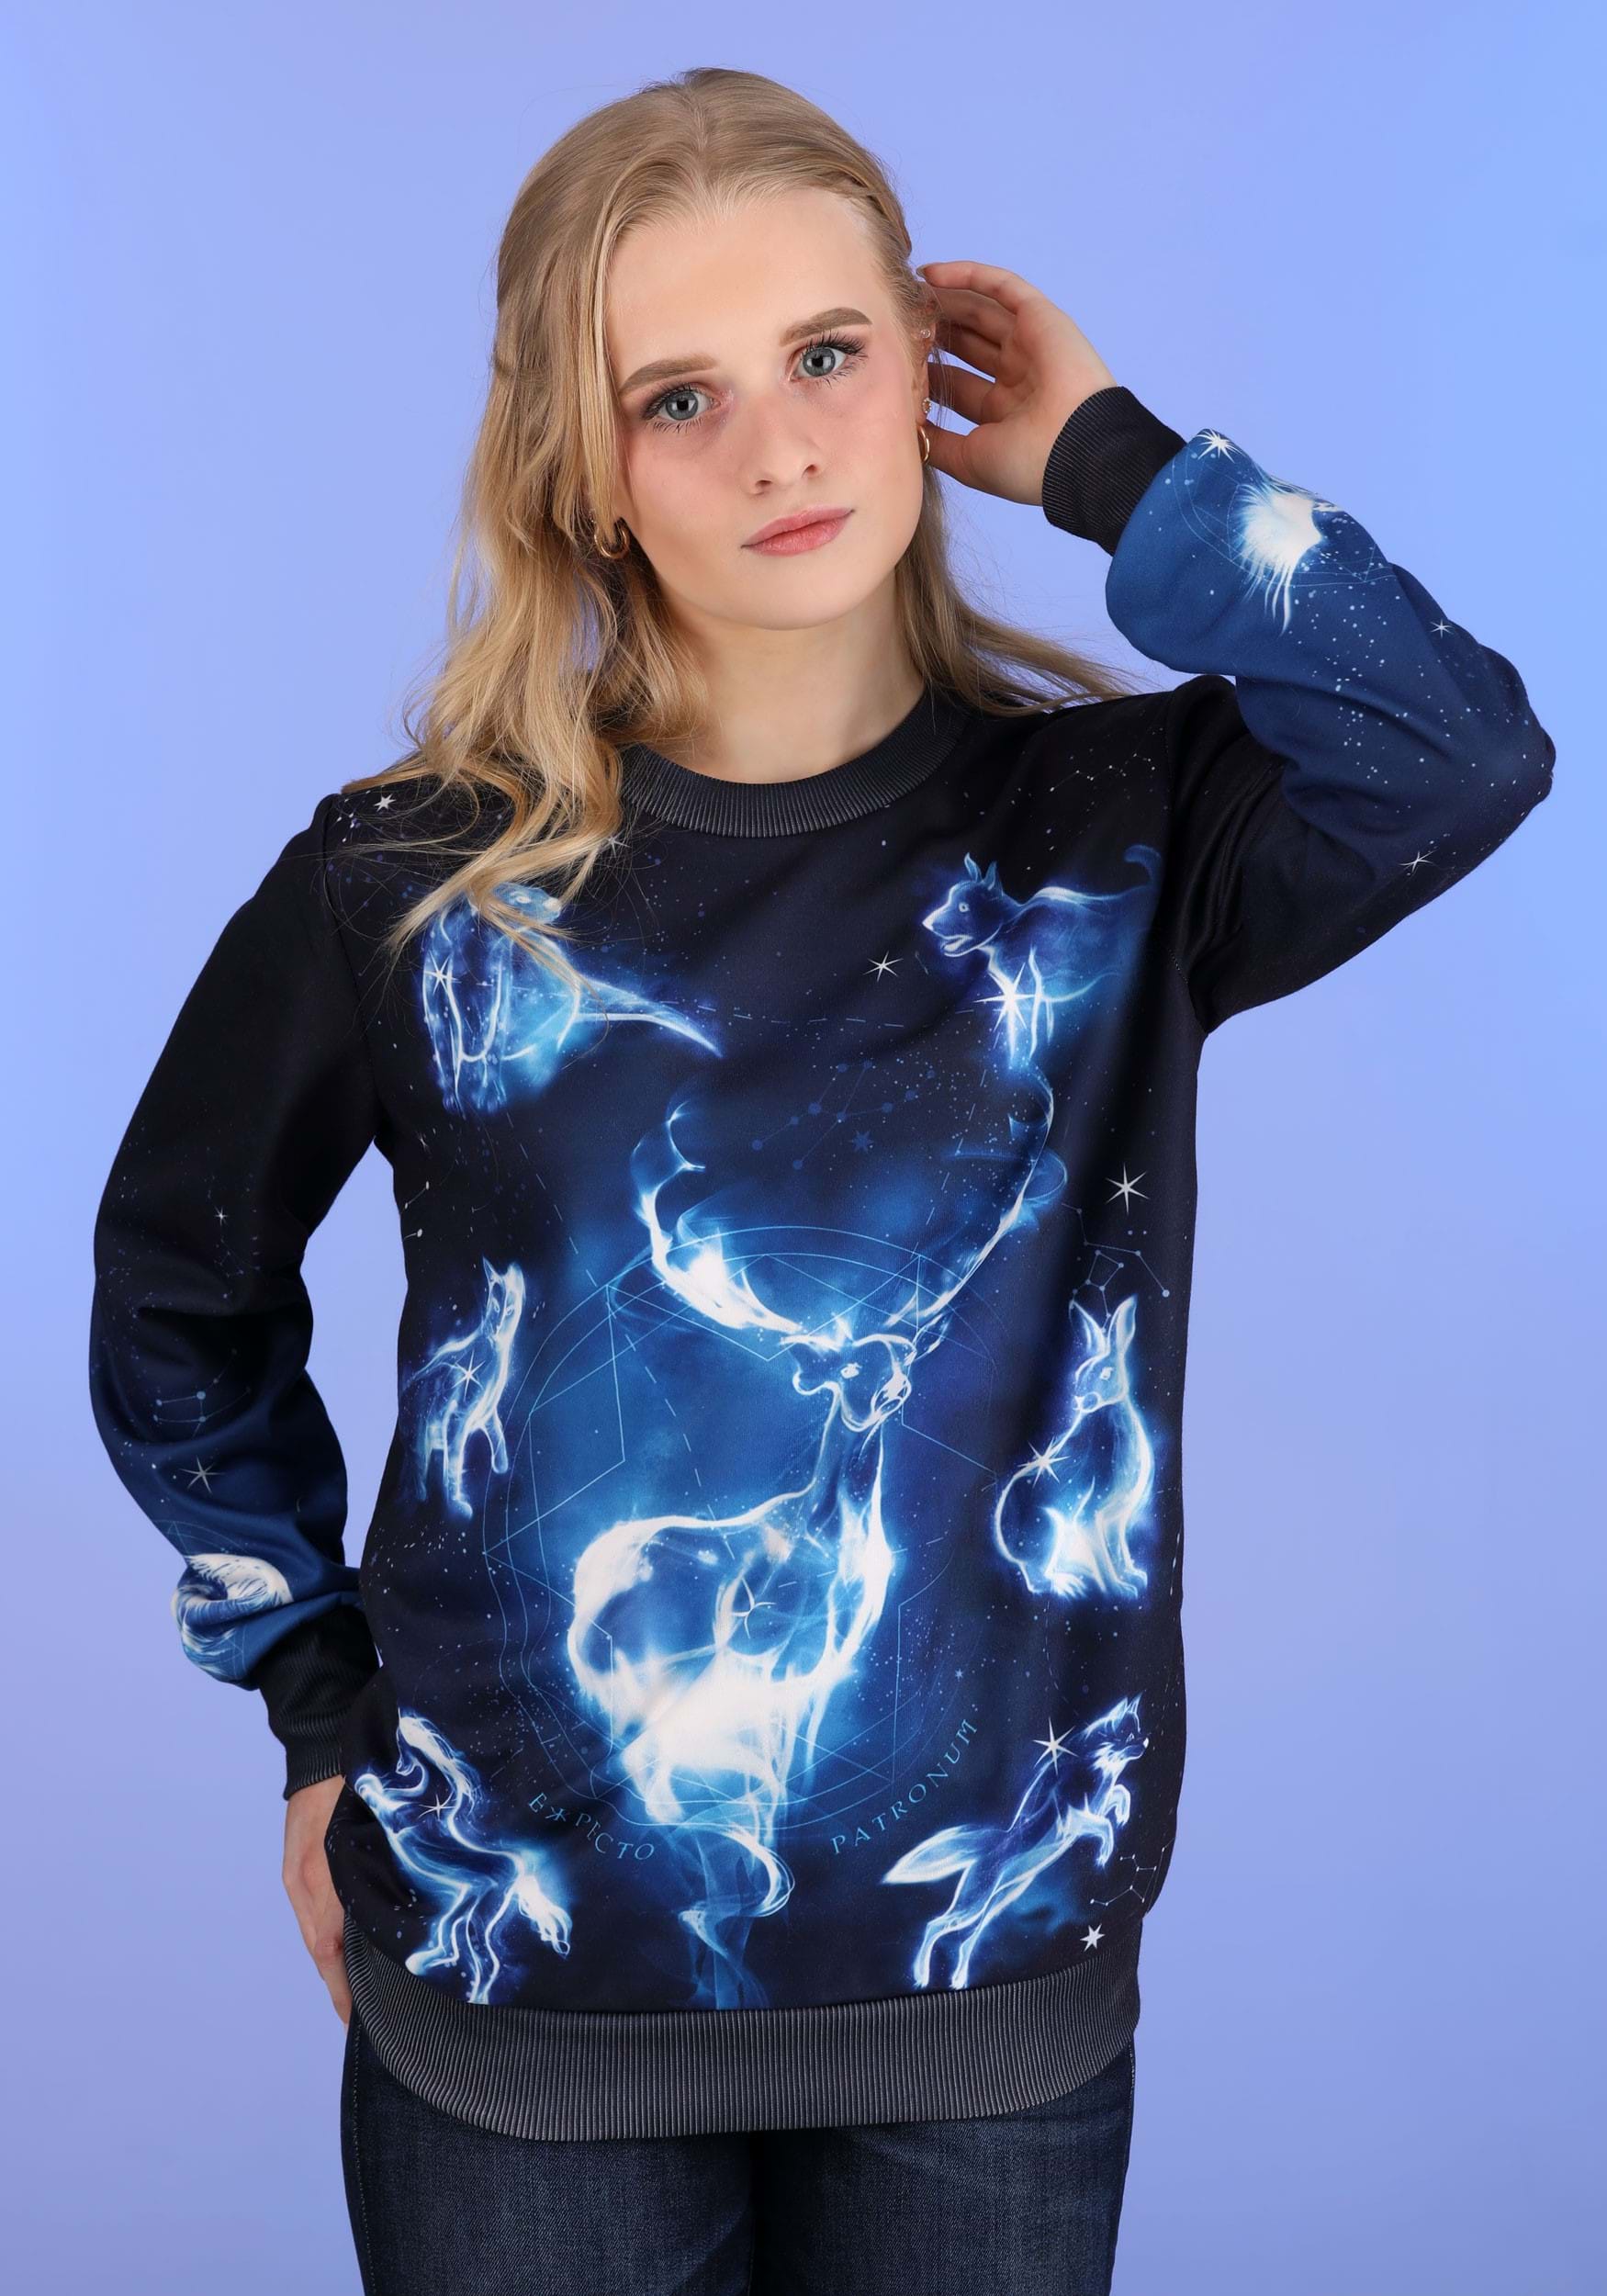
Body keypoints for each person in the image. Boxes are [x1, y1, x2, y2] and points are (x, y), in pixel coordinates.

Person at [86, 62, 1553, 2296]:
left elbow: (1454, 745)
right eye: (675, 396)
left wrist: (1111, 462)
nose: (776, 447)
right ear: (578, 472)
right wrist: (311, 1691)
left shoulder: (1119, 840)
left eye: (828, 354)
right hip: (520, 2004)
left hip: (987, 1988)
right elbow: (178, 1280)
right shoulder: (424, 889)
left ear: (925, 367)